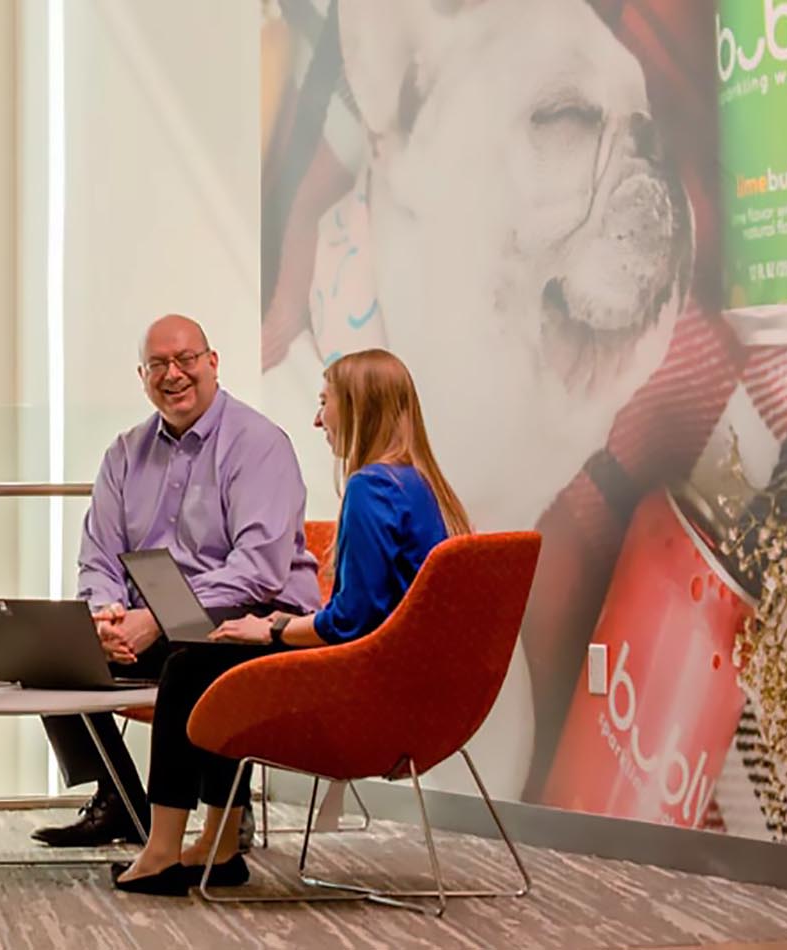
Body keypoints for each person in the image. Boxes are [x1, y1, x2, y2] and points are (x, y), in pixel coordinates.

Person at [112, 348, 472, 895]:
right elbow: (369, 614)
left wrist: (273, 629)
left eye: (325, 402)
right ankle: (218, 844)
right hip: (414, 685)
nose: (318, 419)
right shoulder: (418, 485)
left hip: (370, 688)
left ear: (357, 407)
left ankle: (165, 850)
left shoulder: (372, 489)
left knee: (192, 668)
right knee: (214, 658)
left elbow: (350, 622)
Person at [33, 314, 322, 849]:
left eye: (186, 360)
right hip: (150, 618)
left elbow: (257, 569)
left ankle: (222, 812)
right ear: (142, 376)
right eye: (158, 365)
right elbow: (99, 555)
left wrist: (157, 620)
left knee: (194, 651)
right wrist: (107, 615)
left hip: (255, 614)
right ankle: (119, 797)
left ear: (212, 364)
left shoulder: (258, 444)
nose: (174, 374)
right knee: (49, 655)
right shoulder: (124, 453)